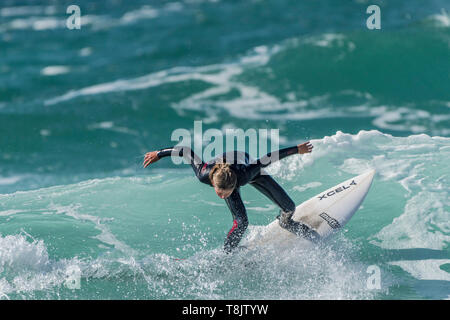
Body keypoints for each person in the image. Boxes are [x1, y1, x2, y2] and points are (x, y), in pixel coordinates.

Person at [143, 142, 319, 252]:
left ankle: (286, 222)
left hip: (245, 165)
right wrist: (159, 154)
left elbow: (268, 158)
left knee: (289, 207)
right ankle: (227, 254)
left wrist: (298, 149)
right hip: (223, 170)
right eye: (219, 192)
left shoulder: (248, 173)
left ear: (234, 187)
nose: (221, 196)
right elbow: (185, 151)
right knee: (241, 222)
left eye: (225, 194)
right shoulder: (204, 173)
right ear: (213, 183)